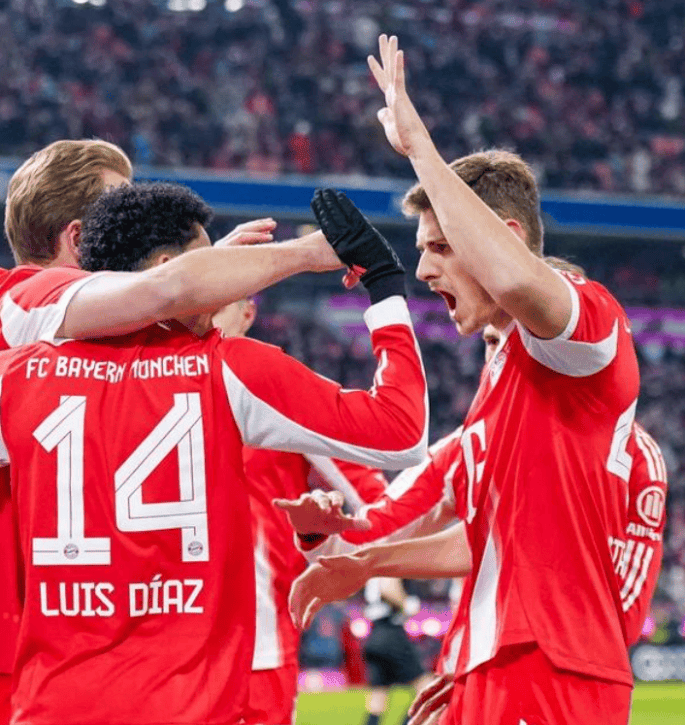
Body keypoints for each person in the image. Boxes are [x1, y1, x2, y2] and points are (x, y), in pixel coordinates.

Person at [0, 181, 428, 724]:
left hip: (52, 706)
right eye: (209, 263)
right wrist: (384, 289)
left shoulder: (8, 378)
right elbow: (401, 431)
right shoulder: (227, 369)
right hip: (194, 706)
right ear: (169, 267)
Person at [295, 34, 642, 723]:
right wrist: (367, 565)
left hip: (554, 667)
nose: (425, 270)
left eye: (441, 247)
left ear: (504, 237)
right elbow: (491, 541)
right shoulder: (498, 387)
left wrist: (419, 148)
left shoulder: (587, 334)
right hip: (498, 661)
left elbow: (517, 281)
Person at [213, 297, 389, 725]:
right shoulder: (146, 380)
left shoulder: (278, 387)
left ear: (248, 313)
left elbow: (374, 496)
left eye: (220, 300)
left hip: (257, 640)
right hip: (159, 638)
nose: (206, 308)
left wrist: (390, 555)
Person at [359, 577, 430, 725]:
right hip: (391, 633)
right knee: (426, 687)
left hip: (375, 633)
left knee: (378, 696)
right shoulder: (389, 565)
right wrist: (406, 603)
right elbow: (388, 586)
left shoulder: (374, 568)